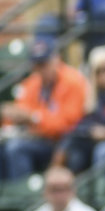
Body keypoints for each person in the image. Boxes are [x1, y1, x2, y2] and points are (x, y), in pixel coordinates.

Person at [0, 39, 88, 180]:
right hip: (36, 138)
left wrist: (34, 118)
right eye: (37, 65)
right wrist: (11, 116)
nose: (40, 69)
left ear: (56, 59)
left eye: (44, 64)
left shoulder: (73, 81)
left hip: (61, 143)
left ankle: (23, 196)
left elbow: (68, 124)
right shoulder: (33, 82)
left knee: (16, 148)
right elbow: (21, 109)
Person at [53, 44, 105, 176]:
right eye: (100, 71)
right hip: (95, 140)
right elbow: (82, 123)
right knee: (75, 147)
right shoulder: (93, 95)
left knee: (103, 151)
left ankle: (102, 192)